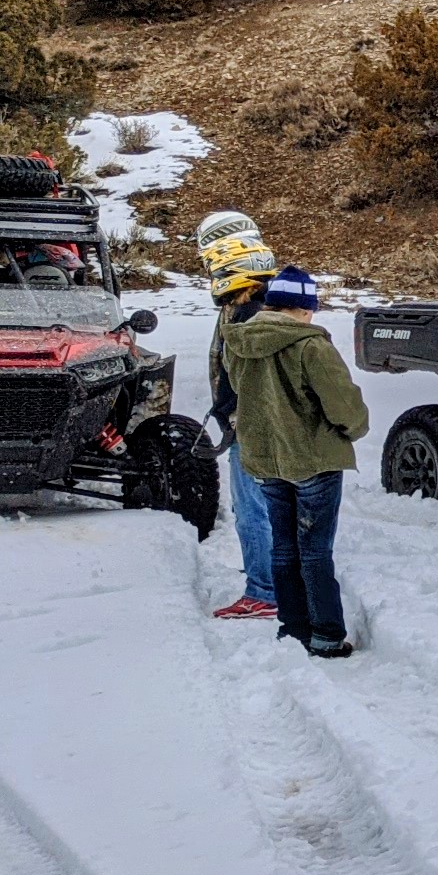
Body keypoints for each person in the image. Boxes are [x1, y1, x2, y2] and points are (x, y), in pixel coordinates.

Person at [221, 266, 370, 658]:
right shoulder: (311, 345)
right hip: (312, 460)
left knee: (284, 548)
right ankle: (326, 636)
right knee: (315, 550)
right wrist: (355, 428)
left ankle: (293, 629)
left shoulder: (238, 342)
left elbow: (240, 391)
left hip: (266, 459)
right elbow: (343, 405)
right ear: (304, 308)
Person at [197, 212, 278, 620]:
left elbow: (250, 378)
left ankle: (264, 591)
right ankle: (272, 582)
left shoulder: (250, 314)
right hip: (254, 424)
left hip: (253, 428)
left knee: (253, 511)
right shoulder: (263, 305)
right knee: (265, 507)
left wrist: (236, 417)